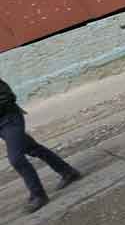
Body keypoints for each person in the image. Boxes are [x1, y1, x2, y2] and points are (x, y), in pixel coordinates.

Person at [1, 78, 80, 213]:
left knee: (16, 159)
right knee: (32, 148)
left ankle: (38, 195)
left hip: (9, 121)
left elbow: (7, 96)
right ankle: (68, 172)